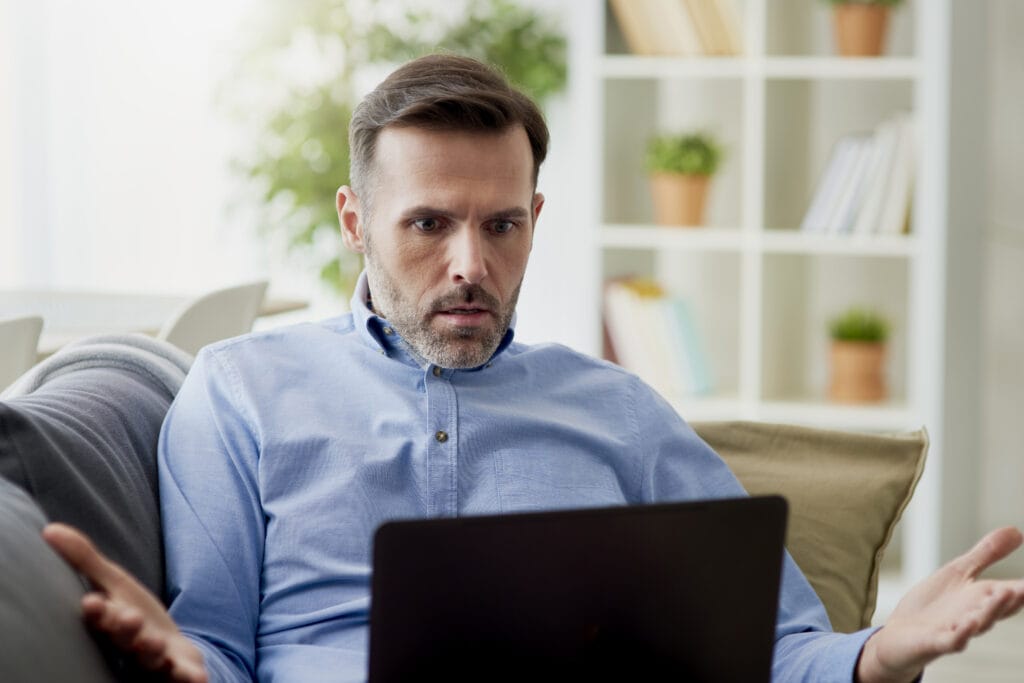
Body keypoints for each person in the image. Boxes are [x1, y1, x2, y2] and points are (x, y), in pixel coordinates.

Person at [44, 54, 1024, 683]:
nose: (470, 263)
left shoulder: (619, 409)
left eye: (501, 224)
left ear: (534, 221)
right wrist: (183, 667)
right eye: (427, 223)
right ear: (355, 222)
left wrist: (879, 651)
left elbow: (780, 641)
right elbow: (213, 640)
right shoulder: (239, 389)